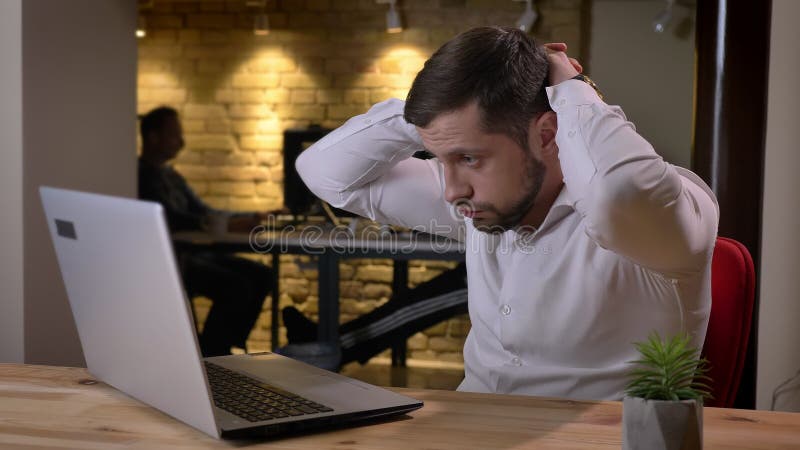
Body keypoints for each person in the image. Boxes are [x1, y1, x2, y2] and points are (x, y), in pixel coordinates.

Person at [295, 27, 719, 401]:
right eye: (443, 160)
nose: (451, 190)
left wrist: (571, 86)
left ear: (548, 134)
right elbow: (324, 172)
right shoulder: (482, 201)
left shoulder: (665, 216)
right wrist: (438, 118)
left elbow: (616, 193)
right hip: (473, 430)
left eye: (470, 158)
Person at [138, 106, 273, 357]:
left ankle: (226, 345)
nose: (181, 141)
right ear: (153, 137)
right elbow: (171, 216)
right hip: (173, 260)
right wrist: (221, 224)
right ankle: (212, 355)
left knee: (263, 275)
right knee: (236, 286)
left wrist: (248, 218)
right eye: (174, 134)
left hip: (197, 254)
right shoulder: (140, 175)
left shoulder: (171, 176)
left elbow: (203, 211)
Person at [282, 262, 468, 367]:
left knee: (412, 309)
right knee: (411, 303)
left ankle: (338, 346)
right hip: (474, 270)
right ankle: (337, 341)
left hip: (476, 281)